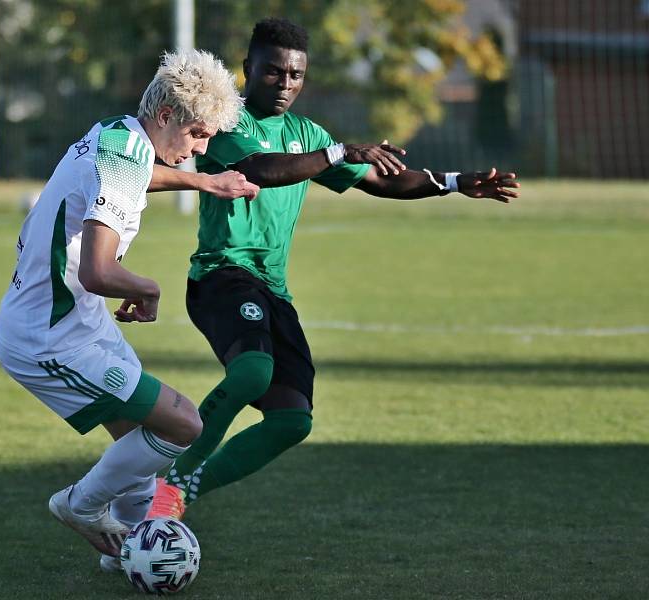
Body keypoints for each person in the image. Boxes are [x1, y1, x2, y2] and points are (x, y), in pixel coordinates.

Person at [148, 18, 519, 519]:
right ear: (248, 69)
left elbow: (382, 180)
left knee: (292, 421)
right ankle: (170, 480)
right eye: (273, 71)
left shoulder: (308, 134)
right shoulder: (222, 123)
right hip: (221, 275)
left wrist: (454, 181)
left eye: (295, 76)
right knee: (253, 370)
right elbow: (261, 169)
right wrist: (338, 152)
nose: (285, 84)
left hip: (272, 289)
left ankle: (182, 495)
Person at [0, 48, 259, 569]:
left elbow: (138, 177)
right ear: (166, 117)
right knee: (184, 425)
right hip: (48, 337)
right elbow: (98, 270)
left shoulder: (119, 135)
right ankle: (80, 505)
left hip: (73, 321)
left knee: (141, 440)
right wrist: (149, 289)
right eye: (198, 135)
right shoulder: (124, 157)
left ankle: (135, 546)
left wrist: (204, 182)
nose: (201, 148)